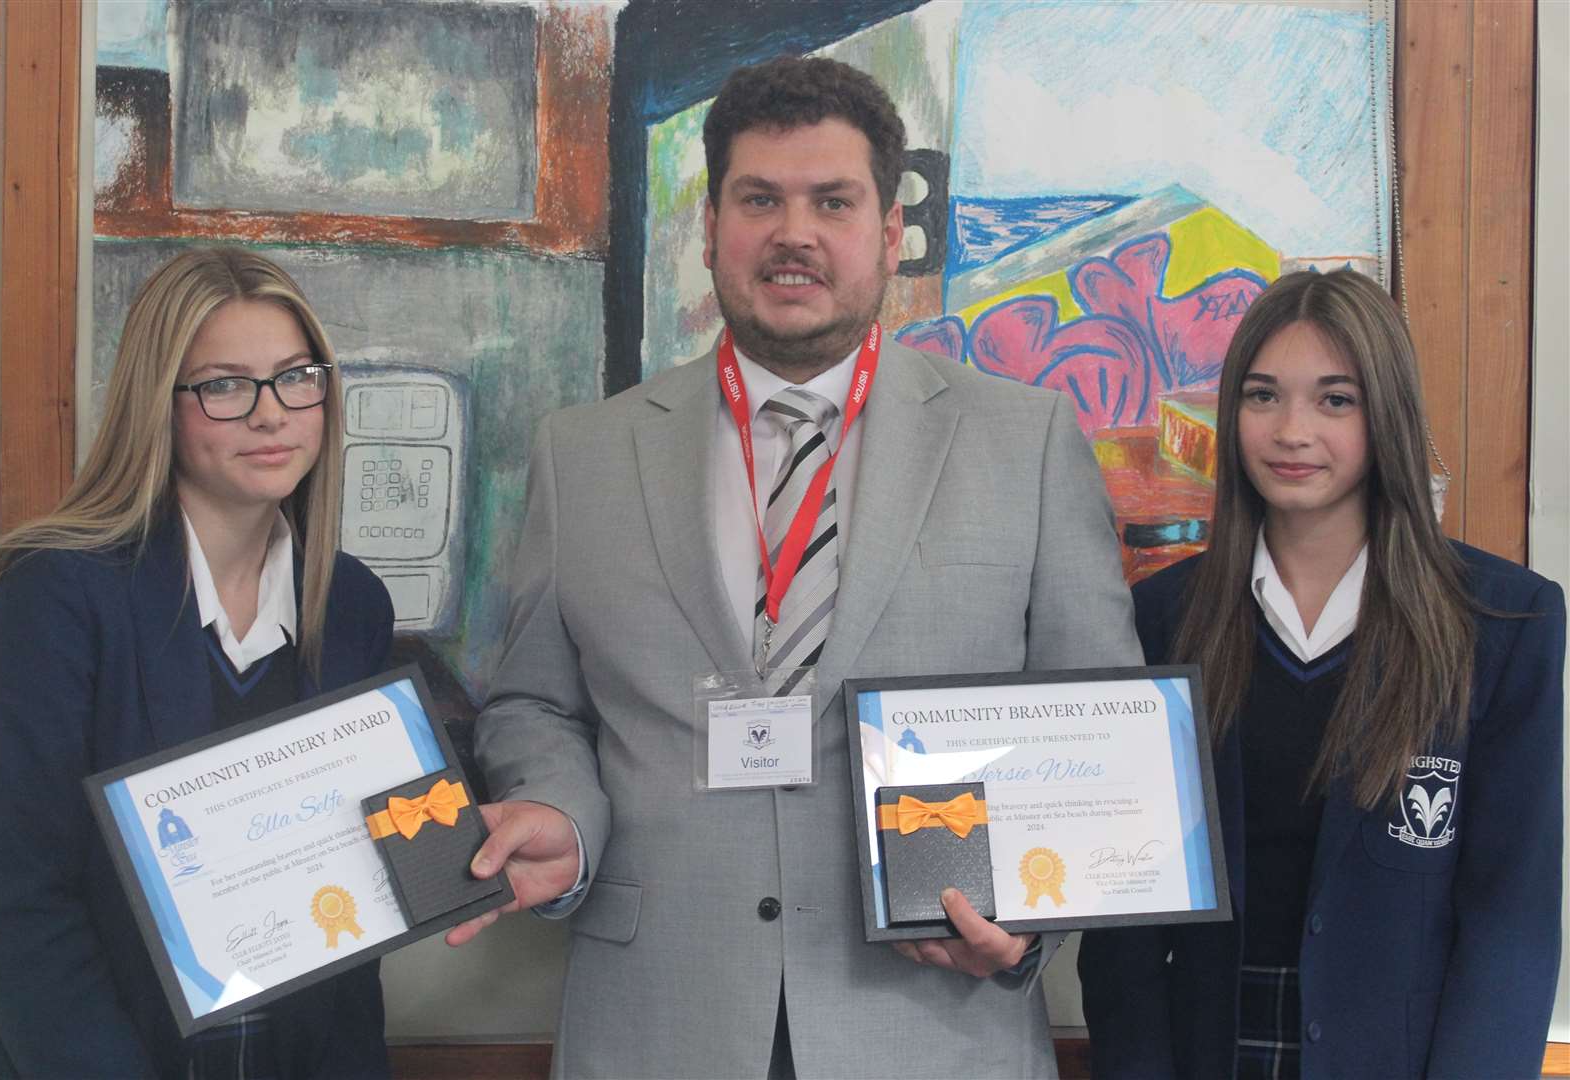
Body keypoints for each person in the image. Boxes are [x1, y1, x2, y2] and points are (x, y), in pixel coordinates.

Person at [449, 56, 1139, 1078]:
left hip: (931, 1022)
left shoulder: (1022, 440)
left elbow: (1093, 715)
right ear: (711, 224)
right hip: (660, 1023)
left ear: (889, 230)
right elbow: (532, 707)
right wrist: (560, 816)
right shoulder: (583, 454)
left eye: (832, 201)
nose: (793, 234)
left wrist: (1030, 913)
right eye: (758, 199)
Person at [1078, 269, 1565, 1079]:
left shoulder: (1504, 621)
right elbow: (1124, 923)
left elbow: (1510, 917)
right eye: (1263, 396)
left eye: (1335, 400)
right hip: (1209, 1051)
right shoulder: (1161, 617)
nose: (1291, 431)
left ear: (1388, 418)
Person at [0, 248, 396, 1078]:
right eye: (225, 385)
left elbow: (356, 891)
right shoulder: (54, 597)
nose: (271, 413)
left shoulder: (353, 606)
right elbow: (6, 908)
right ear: (158, 404)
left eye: (296, 375)